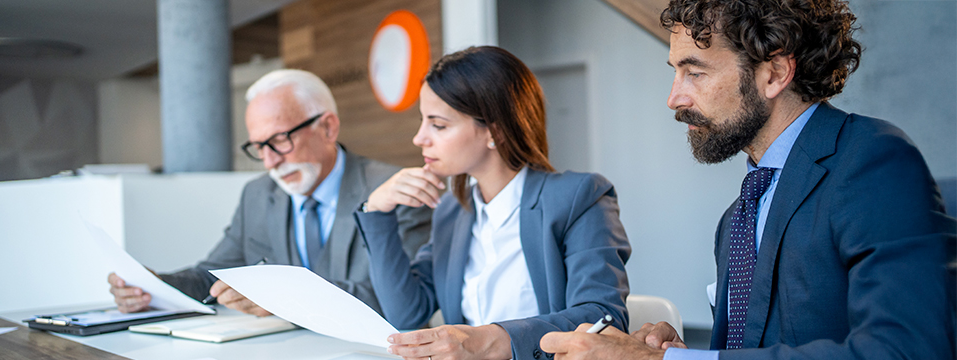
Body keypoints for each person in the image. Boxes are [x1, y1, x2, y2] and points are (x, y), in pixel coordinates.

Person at [539, 0, 956, 359]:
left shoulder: (874, 159)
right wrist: (682, 353)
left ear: (774, 73)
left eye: (695, 72)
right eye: (675, 72)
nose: (674, 98)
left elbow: (907, 349)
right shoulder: (737, 216)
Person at [355, 46, 633, 360]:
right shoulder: (452, 211)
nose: (419, 138)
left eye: (438, 125)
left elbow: (601, 317)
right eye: (423, 121)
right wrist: (377, 211)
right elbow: (407, 314)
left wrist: (487, 340)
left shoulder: (577, 197)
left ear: (494, 130)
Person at [107, 69, 433, 316]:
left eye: (279, 141)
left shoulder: (392, 191)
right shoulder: (257, 195)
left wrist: (283, 298)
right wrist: (153, 286)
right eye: (259, 147)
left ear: (328, 128)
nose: (270, 161)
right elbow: (214, 276)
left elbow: (401, 302)